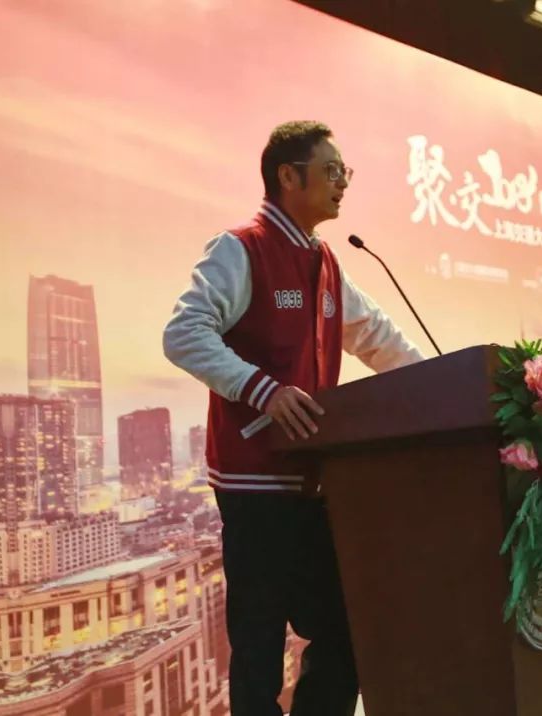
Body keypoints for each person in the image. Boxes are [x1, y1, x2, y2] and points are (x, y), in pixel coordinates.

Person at [162, 120, 425, 715]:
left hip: (315, 482)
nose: (342, 183)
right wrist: (264, 390)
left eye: (344, 172)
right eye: (331, 171)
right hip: (254, 483)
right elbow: (184, 333)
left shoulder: (326, 260)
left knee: (344, 627)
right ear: (288, 175)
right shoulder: (241, 248)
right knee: (258, 647)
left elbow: (378, 338)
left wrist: (441, 383)